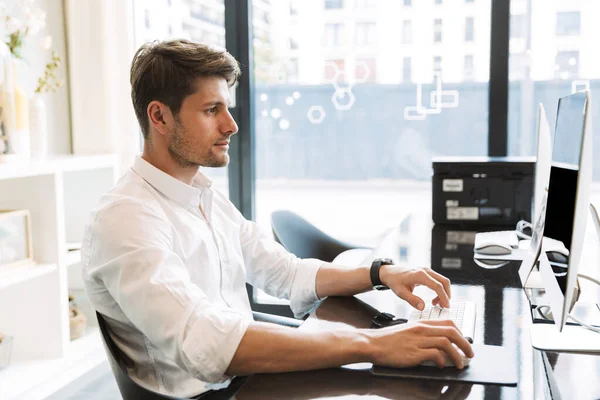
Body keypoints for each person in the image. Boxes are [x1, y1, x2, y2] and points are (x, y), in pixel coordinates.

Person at [81, 39, 474, 398]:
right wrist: (375, 345)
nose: (231, 125)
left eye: (227, 109)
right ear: (160, 117)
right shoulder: (126, 219)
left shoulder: (202, 195)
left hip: (244, 379)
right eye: (211, 110)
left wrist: (381, 273)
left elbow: (286, 273)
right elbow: (207, 342)